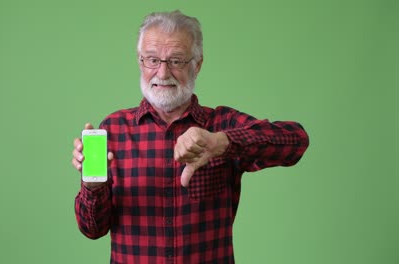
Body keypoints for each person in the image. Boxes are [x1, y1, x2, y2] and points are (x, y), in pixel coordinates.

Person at [71, 10, 309, 263]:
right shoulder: (114, 129)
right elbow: (92, 229)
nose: (162, 74)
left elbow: (296, 141)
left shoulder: (221, 124)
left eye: (176, 61)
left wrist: (222, 142)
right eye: (152, 60)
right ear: (140, 62)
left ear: (197, 64)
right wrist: (93, 187)